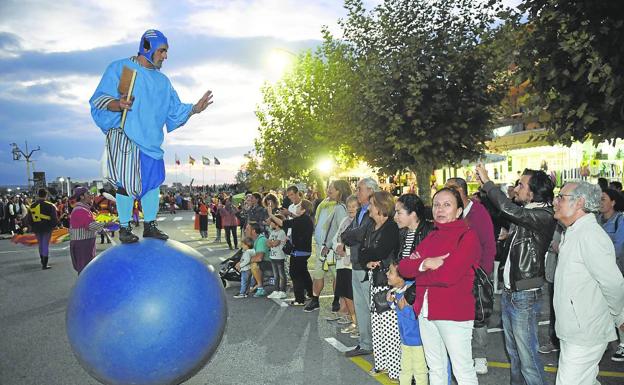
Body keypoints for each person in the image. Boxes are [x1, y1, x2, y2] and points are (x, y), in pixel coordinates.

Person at [89, 29, 213, 244]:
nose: (165, 56)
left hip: (152, 141)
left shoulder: (163, 82)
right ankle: (125, 227)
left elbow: (174, 110)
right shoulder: (120, 68)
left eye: (166, 52)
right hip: (126, 136)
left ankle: (150, 225)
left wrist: (194, 109)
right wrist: (117, 104)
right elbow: (99, 99)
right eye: (162, 51)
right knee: (127, 182)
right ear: (147, 47)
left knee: (153, 182)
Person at [475, 165, 556, 385]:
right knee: (515, 354)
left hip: (525, 294)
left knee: (527, 357)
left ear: (533, 191)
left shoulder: (543, 214)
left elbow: (509, 209)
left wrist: (488, 182)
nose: (516, 188)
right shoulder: (529, 213)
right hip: (513, 292)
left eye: (521, 184)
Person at [399, 188, 480, 385]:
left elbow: (448, 275)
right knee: (435, 369)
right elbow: (404, 267)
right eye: (436, 205)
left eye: (447, 205)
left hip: (454, 313)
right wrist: (426, 263)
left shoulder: (467, 237)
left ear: (459, 211)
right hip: (426, 312)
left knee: (463, 371)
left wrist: (421, 271)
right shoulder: (432, 236)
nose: (440, 209)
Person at [552, 181, 624, 385]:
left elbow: (613, 283)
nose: (556, 202)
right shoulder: (574, 232)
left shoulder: (590, 235)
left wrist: (619, 315)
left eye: (561, 197)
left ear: (579, 203)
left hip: (585, 330)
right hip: (574, 328)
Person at [445, 177, 496, 374]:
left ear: (460, 190)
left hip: (477, 274)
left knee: (479, 316)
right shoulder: (452, 212)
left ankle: (480, 356)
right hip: (457, 274)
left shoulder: (478, 212)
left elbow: (488, 245)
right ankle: (462, 354)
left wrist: (483, 273)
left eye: (450, 189)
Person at [360, 191, 401, 381]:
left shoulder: (391, 227)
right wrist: (367, 260)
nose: (369, 207)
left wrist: (368, 254)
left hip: (387, 281)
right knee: (377, 324)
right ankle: (382, 363)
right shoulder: (371, 225)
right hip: (374, 279)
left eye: (371, 204)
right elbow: (363, 252)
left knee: (389, 326)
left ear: (380, 207)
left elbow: (381, 251)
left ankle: (395, 369)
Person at [342, 177, 379, 358]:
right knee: (361, 306)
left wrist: (348, 236)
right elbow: (350, 233)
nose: (357, 192)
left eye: (360, 189)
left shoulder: (375, 211)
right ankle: (365, 343)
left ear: (371, 191)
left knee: (370, 305)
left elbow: (359, 234)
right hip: (357, 263)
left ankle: (376, 344)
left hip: (368, 265)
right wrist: (348, 236)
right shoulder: (361, 211)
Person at [305, 180, 351, 313]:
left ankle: (337, 301)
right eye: (329, 187)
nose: (329, 189)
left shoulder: (341, 207)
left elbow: (340, 230)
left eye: (333, 188)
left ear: (340, 191)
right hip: (322, 247)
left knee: (337, 275)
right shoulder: (324, 204)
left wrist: (329, 244)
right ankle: (315, 299)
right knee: (318, 274)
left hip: (332, 249)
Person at [386, 261, 428, 385]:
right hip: (405, 339)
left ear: (401, 277)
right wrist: (391, 302)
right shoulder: (398, 290)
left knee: (420, 371)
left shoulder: (410, 292)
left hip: (417, 340)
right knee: (405, 369)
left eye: (391, 272)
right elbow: (397, 309)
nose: (387, 274)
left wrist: (401, 306)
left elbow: (413, 315)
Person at [268, 200, 315, 306]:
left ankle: (299, 299)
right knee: (303, 273)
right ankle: (311, 293)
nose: (296, 207)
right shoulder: (306, 219)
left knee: (295, 274)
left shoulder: (301, 220)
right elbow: (295, 220)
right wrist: (288, 214)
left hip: (298, 252)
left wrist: (271, 214)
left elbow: (283, 223)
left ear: (303, 209)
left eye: (299, 206)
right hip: (304, 251)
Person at [597, 188, 624, 362]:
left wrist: (599, 258)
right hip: (599, 272)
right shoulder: (596, 220)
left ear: (613, 202)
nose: (600, 202)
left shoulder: (620, 220)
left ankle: (623, 344)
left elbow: (619, 247)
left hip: (617, 271)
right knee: (602, 307)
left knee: (619, 310)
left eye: (603, 199)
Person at [332, 195, 359, 335]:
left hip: (351, 264)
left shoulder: (360, 222)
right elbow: (336, 237)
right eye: (349, 206)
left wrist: (345, 249)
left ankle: (359, 324)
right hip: (342, 263)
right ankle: (354, 322)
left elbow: (359, 243)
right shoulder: (344, 221)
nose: (351, 209)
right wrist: (337, 246)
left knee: (353, 295)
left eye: (354, 206)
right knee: (346, 295)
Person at [69, 187, 111, 274]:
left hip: (85, 242)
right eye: (88, 193)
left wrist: (103, 228)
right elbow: (90, 225)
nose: (91, 195)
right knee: (85, 269)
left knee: (86, 268)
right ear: (81, 197)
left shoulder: (83, 209)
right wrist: (107, 225)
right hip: (82, 243)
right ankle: (84, 287)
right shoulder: (80, 210)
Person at [28, 188, 59, 270]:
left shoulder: (32, 205)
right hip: (47, 227)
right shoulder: (50, 205)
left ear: (38, 195)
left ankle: (42, 260)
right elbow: (54, 218)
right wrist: (54, 226)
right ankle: (44, 264)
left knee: (40, 244)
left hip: (36, 227)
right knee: (45, 244)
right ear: (46, 195)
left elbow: (29, 219)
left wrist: (33, 226)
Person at [245, 222, 270, 298]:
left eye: (247, 229)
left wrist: (244, 262)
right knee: (248, 264)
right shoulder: (253, 240)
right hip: (263, 262)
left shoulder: (261, 240)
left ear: (254, 231)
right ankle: (248, 287)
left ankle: (260, 287)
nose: (245, 231)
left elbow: (259, 258)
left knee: (254, 265)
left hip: (270, 263)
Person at [267, 215, 287, 299]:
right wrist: (272, 242)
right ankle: (276, 290)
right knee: (275, 275)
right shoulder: (272, 232)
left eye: (272, 222)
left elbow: (276, 243)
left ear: (277, 223)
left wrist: (272, 243)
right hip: (273, 256)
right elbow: (267, 243)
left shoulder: (281, 232)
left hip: (279, 256)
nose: (270, 224)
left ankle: (282, 291)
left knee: (281, 274)